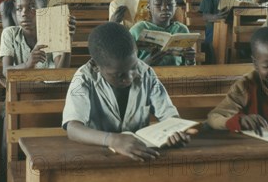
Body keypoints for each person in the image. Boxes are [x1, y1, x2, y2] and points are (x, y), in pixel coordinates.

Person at [62, 22, 191, 161]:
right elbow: (73, 129)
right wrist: (112, 140)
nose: (129, 78)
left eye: (134, 67)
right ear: (95, 66)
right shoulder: (83, 79)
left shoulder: (146, 72)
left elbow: (169, 115)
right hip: (98, 156)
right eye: (119, 75)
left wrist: (175, 131)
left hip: (141, 155)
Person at [0, 0, 75, 76]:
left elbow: (61, 72)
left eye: (32, 7)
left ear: (44, 11)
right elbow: (5, 71)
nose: (24, 13)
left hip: (49, 88)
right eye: (19, 9)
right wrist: (27, 65)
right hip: (20, 87)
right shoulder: (10, 33)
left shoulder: (52, 32)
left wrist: (68, 42)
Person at [129, 0, 195, 66]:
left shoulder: (182, 30)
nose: (165, 7)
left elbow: (188, 69)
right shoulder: (138, 29)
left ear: (175, 6)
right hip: (146, 77)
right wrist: (147, 63)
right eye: (158, 4)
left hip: (176, 76)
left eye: (170, 3)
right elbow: (127, 66)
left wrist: (190, 60)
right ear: (149, 7)